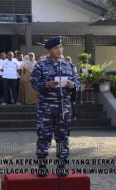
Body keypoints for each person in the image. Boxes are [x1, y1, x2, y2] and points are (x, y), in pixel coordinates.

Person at [30, 37, 80, 177]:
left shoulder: (68, 65)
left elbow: (77, 81)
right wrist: (47, 85)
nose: (59, 50)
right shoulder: (40, 65)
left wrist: (73, 85)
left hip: (63, 110)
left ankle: (61, 165)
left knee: (63, 137)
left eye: (61, 47)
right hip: (46, 109)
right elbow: (33, 83)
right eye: (56, 48)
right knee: (43, 137)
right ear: (49, 50)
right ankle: (41, 165)